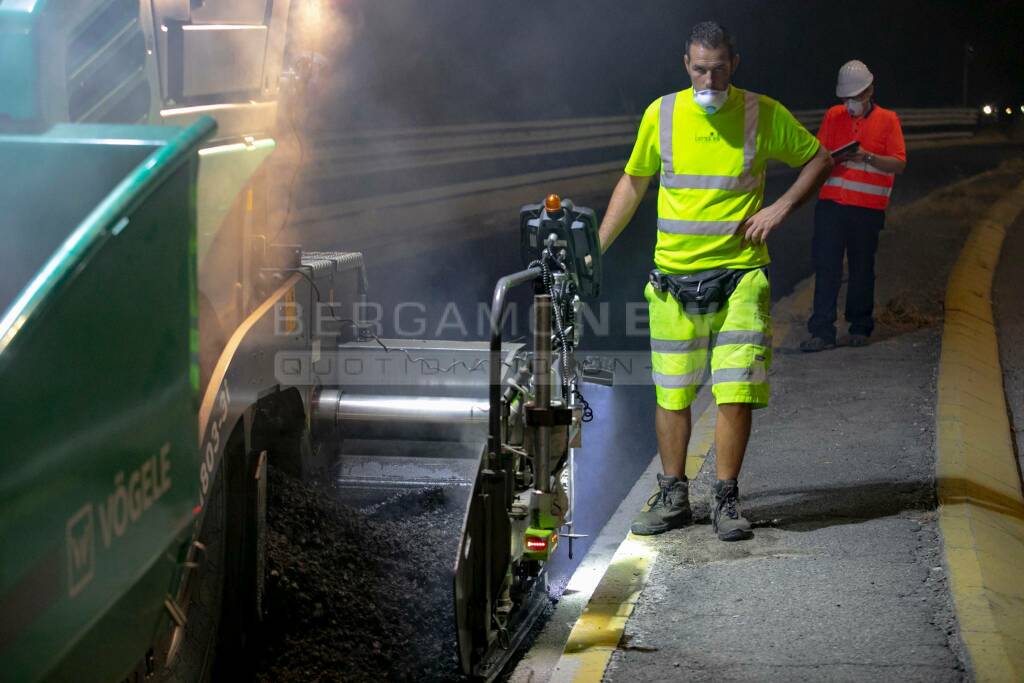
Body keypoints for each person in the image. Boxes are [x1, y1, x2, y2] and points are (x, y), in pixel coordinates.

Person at [597, 21, 832, 541]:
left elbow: (820, 158)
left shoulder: (760, 113)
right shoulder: (662, 114)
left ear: (735, 63)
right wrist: (595, 250)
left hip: (739, 277)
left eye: (719, 69)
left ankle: (726, 500)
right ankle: (674, 496)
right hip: (672, 282)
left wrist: (781, 207)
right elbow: (634, 183)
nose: (709, 79)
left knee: (735, 389)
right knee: (672, 392)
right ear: (686, 64)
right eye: (700, 69)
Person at [801, 60, 907, 352]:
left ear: (870, 90)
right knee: (826, 267)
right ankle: (822, 331)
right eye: (847, 97)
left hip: (867, 210)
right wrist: (833, 158)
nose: (852, 103)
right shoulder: (833, 116)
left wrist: (868, 157)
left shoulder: (888, 120)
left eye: (858, 96)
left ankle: (860, 327)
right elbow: (820, 155)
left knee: (862, 269)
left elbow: (898, 163)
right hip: (831, 207)